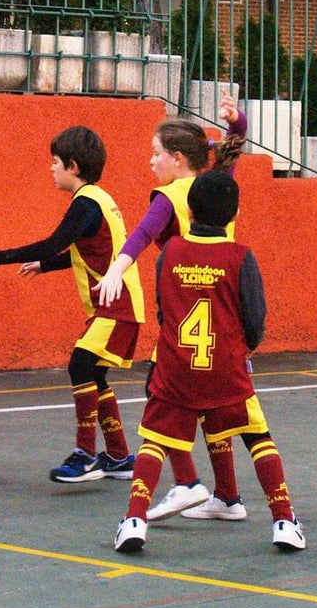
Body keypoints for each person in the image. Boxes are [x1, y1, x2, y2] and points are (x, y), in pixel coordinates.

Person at [113, 170, 305, 554]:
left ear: (189, 209)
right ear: (235, 213)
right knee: (257, 438)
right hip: (226, 368)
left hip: (176, 368)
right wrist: (239, 348)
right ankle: (284, 521)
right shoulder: (240, 256)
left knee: (155, 441)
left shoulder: (170, 253)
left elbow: (164, 312)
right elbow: (255, 320)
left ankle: (134, 519)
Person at [97, 91, 248, 522]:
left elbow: (140, 237)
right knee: (219, 408)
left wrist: (114, 271)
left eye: (156, 154)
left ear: (178, 159)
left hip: (188, 315)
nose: (151, 162)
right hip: (226, 310)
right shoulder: (216, 180)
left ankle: (187, 482)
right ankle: (228, 497)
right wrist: (235, 120)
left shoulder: (171, 197)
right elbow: (236, 138)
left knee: (163, 397)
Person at [0, 125, 143, 484]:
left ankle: (85, 454)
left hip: (116, 306)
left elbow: (54, 243)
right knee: (94, 375)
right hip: (117, 305)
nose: (51, 169)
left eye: (55, 162)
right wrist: (44, 266)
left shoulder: (85, 204)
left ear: (73, 166)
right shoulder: (99, 199)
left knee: (80, 364)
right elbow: (81, 250)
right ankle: (120, 456)